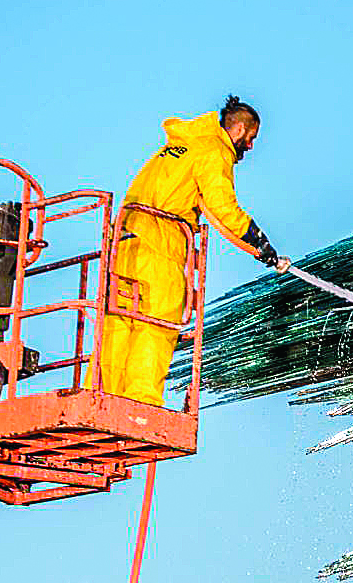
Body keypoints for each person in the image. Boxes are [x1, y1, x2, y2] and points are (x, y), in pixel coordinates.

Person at [98, 95, 289, 405]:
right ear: (240, 129)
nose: (251, 146)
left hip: (124, 241)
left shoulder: (181, 144)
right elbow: (222, 207)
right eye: (251, 137)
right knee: (158, 319)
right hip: (161, 242)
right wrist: (258, 239)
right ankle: (140, 402)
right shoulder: (214, 151)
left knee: (119, 319)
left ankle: (105, 395)